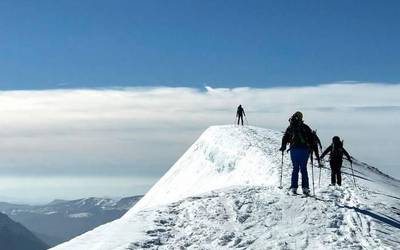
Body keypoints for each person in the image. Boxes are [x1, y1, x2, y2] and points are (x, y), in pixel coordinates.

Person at [279, 111, 320, 195]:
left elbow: (285, 137)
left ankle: (294, 187)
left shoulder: (291, 127)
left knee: (295, 168)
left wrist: (283, 146)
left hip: (294, 150)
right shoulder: (305, 127)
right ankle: (305, 188)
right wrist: (312, 148)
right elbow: (311, 139)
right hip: (304, 150)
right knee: (303, 168)